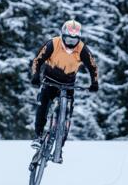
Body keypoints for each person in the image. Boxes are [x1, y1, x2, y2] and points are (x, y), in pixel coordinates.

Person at [30, 20, 99, 155]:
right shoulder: (53, 43)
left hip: (68, 85)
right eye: (68, 39)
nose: (71, 44)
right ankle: (38, 136)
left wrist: (94, 83)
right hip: (49, 82)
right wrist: (35, 76)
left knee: (67, 116)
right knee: (42, 106)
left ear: (79, 38)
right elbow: (37, 60)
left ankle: (59, 147)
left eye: (74, 40)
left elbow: (93, 67)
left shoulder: (82, 49)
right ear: (62, 35)